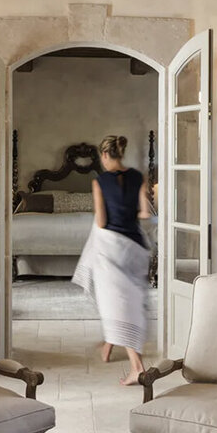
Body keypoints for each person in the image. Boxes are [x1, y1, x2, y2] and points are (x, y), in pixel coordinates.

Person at [72, 135, 153, 386]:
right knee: (128, 300)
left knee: (117, 304)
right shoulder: (139, 176)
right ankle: (109, 343)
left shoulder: (99, 181)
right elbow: (145, 213)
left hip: (112, 249)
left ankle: (137, 367)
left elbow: (101, 222)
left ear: (104, 155)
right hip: (136, 247)